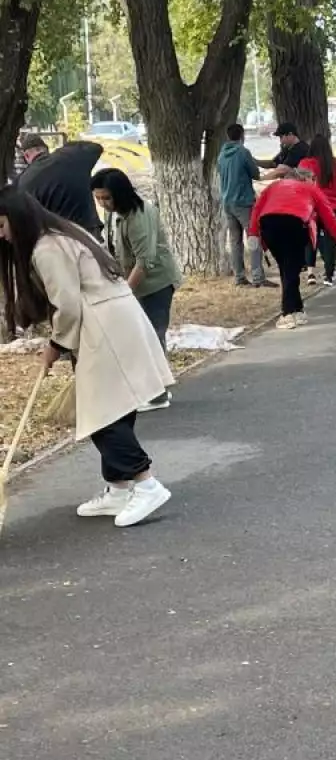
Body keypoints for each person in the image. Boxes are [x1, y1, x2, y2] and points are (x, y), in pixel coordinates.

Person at [0, 187, 174, 527]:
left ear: (18, 218)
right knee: (113, 408)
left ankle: (146, 483)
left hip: (102, 326)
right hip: (111, 320)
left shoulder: (46, 248)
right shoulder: (62, 232)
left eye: (2, 224)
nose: (1, 234)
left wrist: (55, 344)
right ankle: (119, 487)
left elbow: (67, 306)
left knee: (102, 415)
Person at [90, 168, 182, 412]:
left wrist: (125, 293)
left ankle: (158, 393)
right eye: (98, 198)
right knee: (136, 337)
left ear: (120, 193)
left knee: (151, 336)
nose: (103, 203)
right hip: (132, 282)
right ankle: (145, 389)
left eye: (107, 198)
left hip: (156, 283)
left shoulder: (140, 215)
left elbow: (145, 261)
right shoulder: (114, 214)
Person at [248, 169, 336, 330]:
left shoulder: (273, 187)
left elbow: (257, 209)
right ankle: (288, 312)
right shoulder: (310, 189)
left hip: (269, 224)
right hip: (296, 223)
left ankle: (297, 309)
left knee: (288, 268)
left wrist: (253, 234)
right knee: (290, 268)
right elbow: (331, 220)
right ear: (304, 179)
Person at [16, 133, 105, 239]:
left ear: (26, 156)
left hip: (60, 239)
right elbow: (96, 147)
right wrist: (66, 147)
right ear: (46, 149)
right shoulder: (72, 155)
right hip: (89, 232)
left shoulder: (24, 180)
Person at [218, 123, 272, 287]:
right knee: (254, 237)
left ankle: (239, 277)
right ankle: (258, 277)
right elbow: (255, 174)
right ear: (242, 136)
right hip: (244, 202)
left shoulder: (221, 155)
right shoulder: (243, 152)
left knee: (235, 241)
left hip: (227, 202)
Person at [299, 134, 336, 288]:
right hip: (332, 206)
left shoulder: (305, 163)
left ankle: (310, 273)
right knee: (330, 242)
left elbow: (301, 187)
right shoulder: (335, 164)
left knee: (310, 240)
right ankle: (329, 274)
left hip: (312, 207)